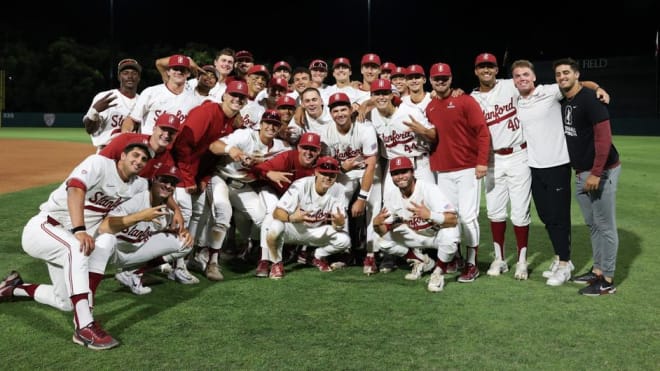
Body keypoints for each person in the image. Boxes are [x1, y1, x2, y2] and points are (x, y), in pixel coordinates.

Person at [1, 141, 152, 350]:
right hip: (45, 227)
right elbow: (76, 188)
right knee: (77, 248)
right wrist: (79, 229)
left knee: (65, 301)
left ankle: (14, 288)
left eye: (144, 159)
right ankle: (84, 327)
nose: (139, 161)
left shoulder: (138, 185)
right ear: (122, 156)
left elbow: (156, 191)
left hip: (65, 241)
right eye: (135, 155)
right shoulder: (99, 164)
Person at [511, 59, 609, 285]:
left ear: (534, 77)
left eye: (526, 74)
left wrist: (599, 89)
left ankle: (565, 264)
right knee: (546, 216)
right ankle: (560, 257)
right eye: (517, 76)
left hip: (557, 164)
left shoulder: (550, 92)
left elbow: (582, 84)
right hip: (533, 166)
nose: (522, 79)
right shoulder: (516, 100)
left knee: (559, 217)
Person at [553, 57, 621, 296]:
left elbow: (604, 139)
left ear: (576, 74)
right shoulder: (565, 98)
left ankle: (608, 280)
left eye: (566, 73)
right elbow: (588, 84)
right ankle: (598, 270)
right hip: (581, 172)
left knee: (605, 226)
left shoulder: (591, 100)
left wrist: (596, 172)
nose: (562, 77)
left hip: (600, 170)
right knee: (592, 224)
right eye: (558, 74)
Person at [171, 80, 248, 282]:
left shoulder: (231, 122)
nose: (237, 99)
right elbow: (183, 146)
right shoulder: (206, 112)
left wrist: (204, 177)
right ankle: (173, 265)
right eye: (234, 95)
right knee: (185, 212)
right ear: (224, 95)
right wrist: (188, 178)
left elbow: (212, 156)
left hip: (196, 172)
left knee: (197, 213)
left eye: (241, 97)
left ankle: (185, 260)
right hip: (178, 168)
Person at [203, 109, 290, 278]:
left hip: (241, 186)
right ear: (261, 124)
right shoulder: (245, 135)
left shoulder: (280, 146)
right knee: (223, 213)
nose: (271, 127)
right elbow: (214, 146)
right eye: (268, 123)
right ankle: (212, 262)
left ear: (279, 128)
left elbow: (292, 153)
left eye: (275, 125)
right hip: (222, 178)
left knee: (262, 219)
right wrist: (230, 149)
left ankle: (250, 249)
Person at [425, 62, 491, 283]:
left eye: (444, 79)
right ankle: (457, 258)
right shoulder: (430, 106)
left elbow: (482, 132)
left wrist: (481, 162)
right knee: (450, 218)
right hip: (443, 171)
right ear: (431, 81)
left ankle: (472, 264)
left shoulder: (465, 101)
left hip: (467, 168)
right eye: (437, 79)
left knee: (469, 216)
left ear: (451, 79)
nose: (441, 82)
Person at [471, 52, 532, 281]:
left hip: (518, 155)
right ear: (476, 71)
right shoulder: (472, 98)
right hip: (492, 160)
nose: (486, 70)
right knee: (496, 211)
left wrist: (592, 86)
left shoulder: (510, 86)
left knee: (519, 212)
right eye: (482, 66)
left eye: (490, 66)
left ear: (497, 69)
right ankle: (499, 259)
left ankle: (522, 261)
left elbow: (544, 89)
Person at [98, 165, 193, 295]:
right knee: (105, 240)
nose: (169, 186)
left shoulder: (166, 212)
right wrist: (141, 216)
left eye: (173, 184)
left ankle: (132, 273)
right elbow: (104, 227)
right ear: (154, 180)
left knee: (185, 243)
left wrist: (181, 231)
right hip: (110, 252)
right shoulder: (136, 199)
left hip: (132, 254)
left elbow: (157, 233)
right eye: (164, 180)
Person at [372, 156, 459, 292]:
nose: (400, 177)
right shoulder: (392, 195)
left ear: (412, 172)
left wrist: (430, 215)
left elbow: (453, 219)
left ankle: (438, 273)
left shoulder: (429, 189)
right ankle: (420, 261)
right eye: (395, 173)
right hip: (417, 235)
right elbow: (384, 230)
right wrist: (376, 225)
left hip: (437, 235)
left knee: (451, 234)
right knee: (382, 240)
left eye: (404, 172)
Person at [320, 92, 380, 275]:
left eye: (343, 109)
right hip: (344, 172)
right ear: (331, 113)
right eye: (336, 110)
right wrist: (341, 167)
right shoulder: (326, 132)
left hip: (368, 171)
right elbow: (327, 165)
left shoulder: (365, 129)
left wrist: (361, 198)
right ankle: (344, 251)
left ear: (350, 110)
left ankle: (371, 253)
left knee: (373, 203)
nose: (340, 114)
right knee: (337, 201)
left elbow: (371, 166)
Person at [251, 132, 323, 276]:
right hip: (272, 190)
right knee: (273, 212)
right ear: (298, 147)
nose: (308, 152)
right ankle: (264, 259)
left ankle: (298, 250)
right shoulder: (288, 157)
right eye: (305, 148)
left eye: (313, 149)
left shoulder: (318, 168)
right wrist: (270, 174)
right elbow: (258, 168)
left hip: (290, 200)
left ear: (319, 151)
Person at [265, 156, 350, 279]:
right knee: (274, 226)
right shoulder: (301, 185)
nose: (328, 177)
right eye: (324, 173)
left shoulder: (339, 190)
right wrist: (292, 218)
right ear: (316, 172)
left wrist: (339, 224)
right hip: (293, 229)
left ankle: (316, 256)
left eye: (332, 174)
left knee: (344, 239)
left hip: (313, 232)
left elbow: (337, 224)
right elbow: (277, 213)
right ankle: (276, 263)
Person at [121, 54, 199, 135]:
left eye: (183, 70)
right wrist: (125, 134)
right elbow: (132, 119)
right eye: (175, 69)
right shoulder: (151, 92)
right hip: (148, 142)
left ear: (189, 74)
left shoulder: (194, 101)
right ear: (168, 72)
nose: (179, 72)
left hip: (175, 144)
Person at [83, 58, 142, 151]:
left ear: (139, 78)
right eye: (125, 73)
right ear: (119, 77)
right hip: (107, 152)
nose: (130, 76)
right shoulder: (106, 97)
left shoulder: (143, 101)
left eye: (134, 73)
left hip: (132, 155)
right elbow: (90, 130)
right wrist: (94, 111)